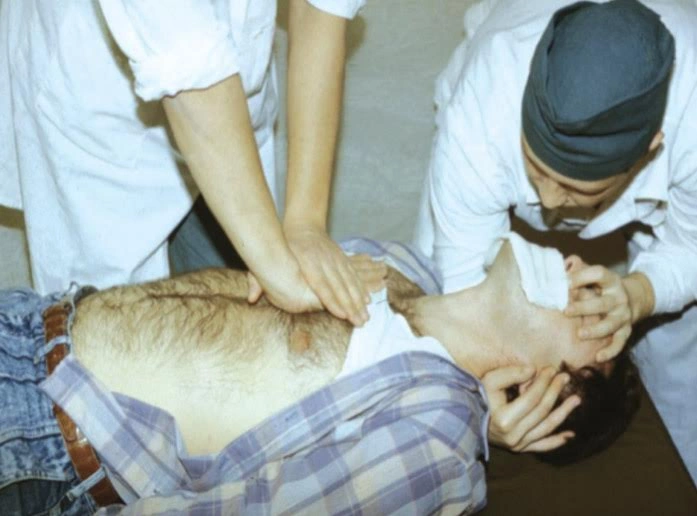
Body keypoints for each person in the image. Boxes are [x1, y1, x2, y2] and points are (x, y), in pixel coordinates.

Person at [0, 236, 640, 514]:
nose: (581, 276)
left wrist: (484, 431)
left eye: (597, 323)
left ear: (551, 396)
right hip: (33, 319)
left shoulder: (439, 436)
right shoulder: (399, 265)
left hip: (45, 443)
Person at [414, 0, 697, 481]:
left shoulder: (690, 128)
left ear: (649, 151)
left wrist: (641, 294)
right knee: (432, 285)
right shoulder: (483, 113)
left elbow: (690, 248)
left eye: (572, 188)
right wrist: (475, 410)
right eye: (536, 168)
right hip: (494, 90)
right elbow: (460, 288)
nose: (546, 204)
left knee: (679, 330)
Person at [0, 0, 372, 326]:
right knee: (112, 338)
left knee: (244, 324)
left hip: (234, 89)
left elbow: (318, 8)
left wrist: (306, 223)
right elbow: (187, 63)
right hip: (100, 104)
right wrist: (279, 270)